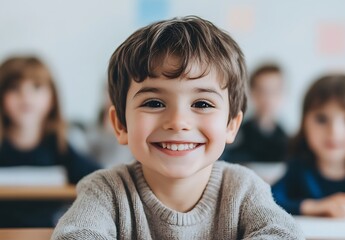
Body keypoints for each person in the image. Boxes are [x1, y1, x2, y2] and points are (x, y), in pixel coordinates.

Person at [52, 16, 304, 239]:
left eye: (202, 103)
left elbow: (283, 233)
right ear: (120, 124)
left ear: (231, 125)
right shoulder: (105, 189)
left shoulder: (243, 188)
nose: (178, 121)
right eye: (154, 102)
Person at [0, 56, 101, 227]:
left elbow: (98, 177)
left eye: (36, 87)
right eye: (14, 88)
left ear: (52, 98)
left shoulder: (58, 146)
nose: (26, 96)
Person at [272, 74, 345, 218]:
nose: (334, 132)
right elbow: (269, 200)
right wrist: (317, 207)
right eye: (321, 119)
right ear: (304, 124)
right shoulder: (299, 168)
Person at [223, 63, 288, 164]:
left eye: (274, 91)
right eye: (262, 91)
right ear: (252, 92)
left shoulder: (287, 141)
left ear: (283, 93)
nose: (268, 98)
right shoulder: (237, 135)